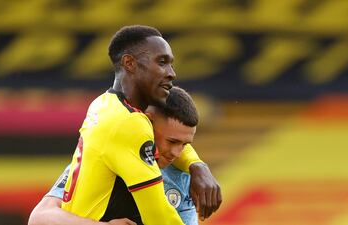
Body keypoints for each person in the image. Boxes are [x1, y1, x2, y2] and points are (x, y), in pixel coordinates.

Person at [40, 25, 220, 225]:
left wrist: (197, 165)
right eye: (162, 62)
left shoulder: (104, 104)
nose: (171, 73)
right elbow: (158, 216)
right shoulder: (129, 124)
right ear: (129, 63)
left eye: (171, 64)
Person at [29, 86, 206, 225]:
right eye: (172, 141)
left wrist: (197, 165)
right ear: (148, 125)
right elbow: (40, 217)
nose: (176, 153)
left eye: (185, 144)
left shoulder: (182, 178)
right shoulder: (102, 159)